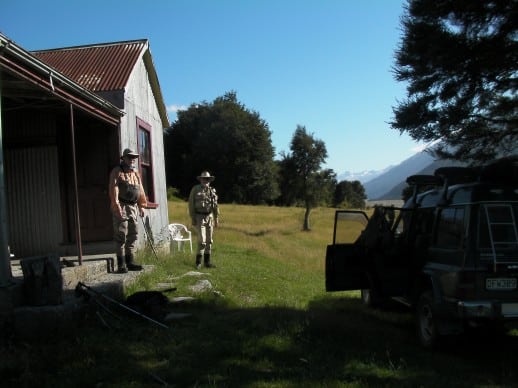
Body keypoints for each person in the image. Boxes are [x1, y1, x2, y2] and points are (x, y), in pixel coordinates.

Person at [108, 148, 148, 273]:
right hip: (122, 206)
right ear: (123, 158)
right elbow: (114, 190)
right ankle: (121, 264)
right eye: (129, 157)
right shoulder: (117, 171)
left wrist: (142, 205)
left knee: (133, 234)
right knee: (121, 235)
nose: (132, 160)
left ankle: (130, 262)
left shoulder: (135, 173)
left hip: (133, 208)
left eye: (133, 157)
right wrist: (117, 206)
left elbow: (140, 190)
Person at [188, 171, 219, 269]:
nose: (205, 180)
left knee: (209, 241)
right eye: (203, 179)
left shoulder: (212, 191)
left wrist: (216, 218)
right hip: (199, 217)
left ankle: (207, 262)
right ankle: (198, 262)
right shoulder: (195, 189)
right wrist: (193, 218)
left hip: (209, 217)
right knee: (202, 241)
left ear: (209, 180)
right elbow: (191, 204)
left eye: (207, 179)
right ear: (200, 179)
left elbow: (215, 206)